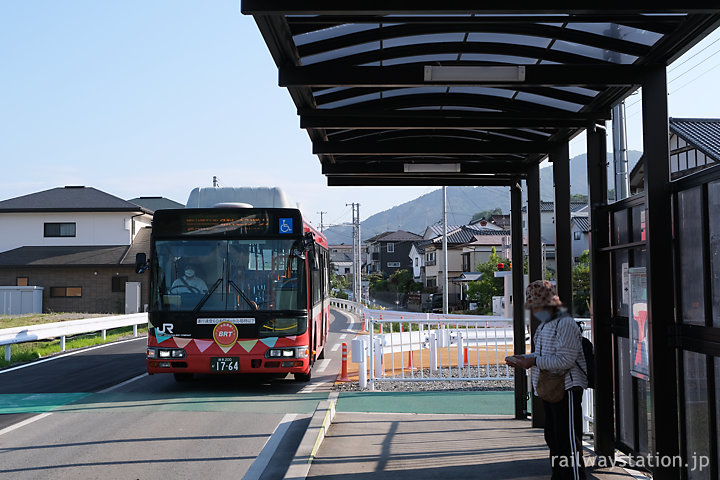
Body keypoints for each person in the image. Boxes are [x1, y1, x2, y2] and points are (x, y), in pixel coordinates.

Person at [505, 280, 587, 480]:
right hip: (553, 388)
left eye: (536, 304)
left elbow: (565, 360)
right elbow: (546, 354)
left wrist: (533, 361)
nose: (534, 309)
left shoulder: (565, 323)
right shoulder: (547, 324)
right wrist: (525, 359)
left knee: (567, 442)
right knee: (555, 439)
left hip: (567, 387)